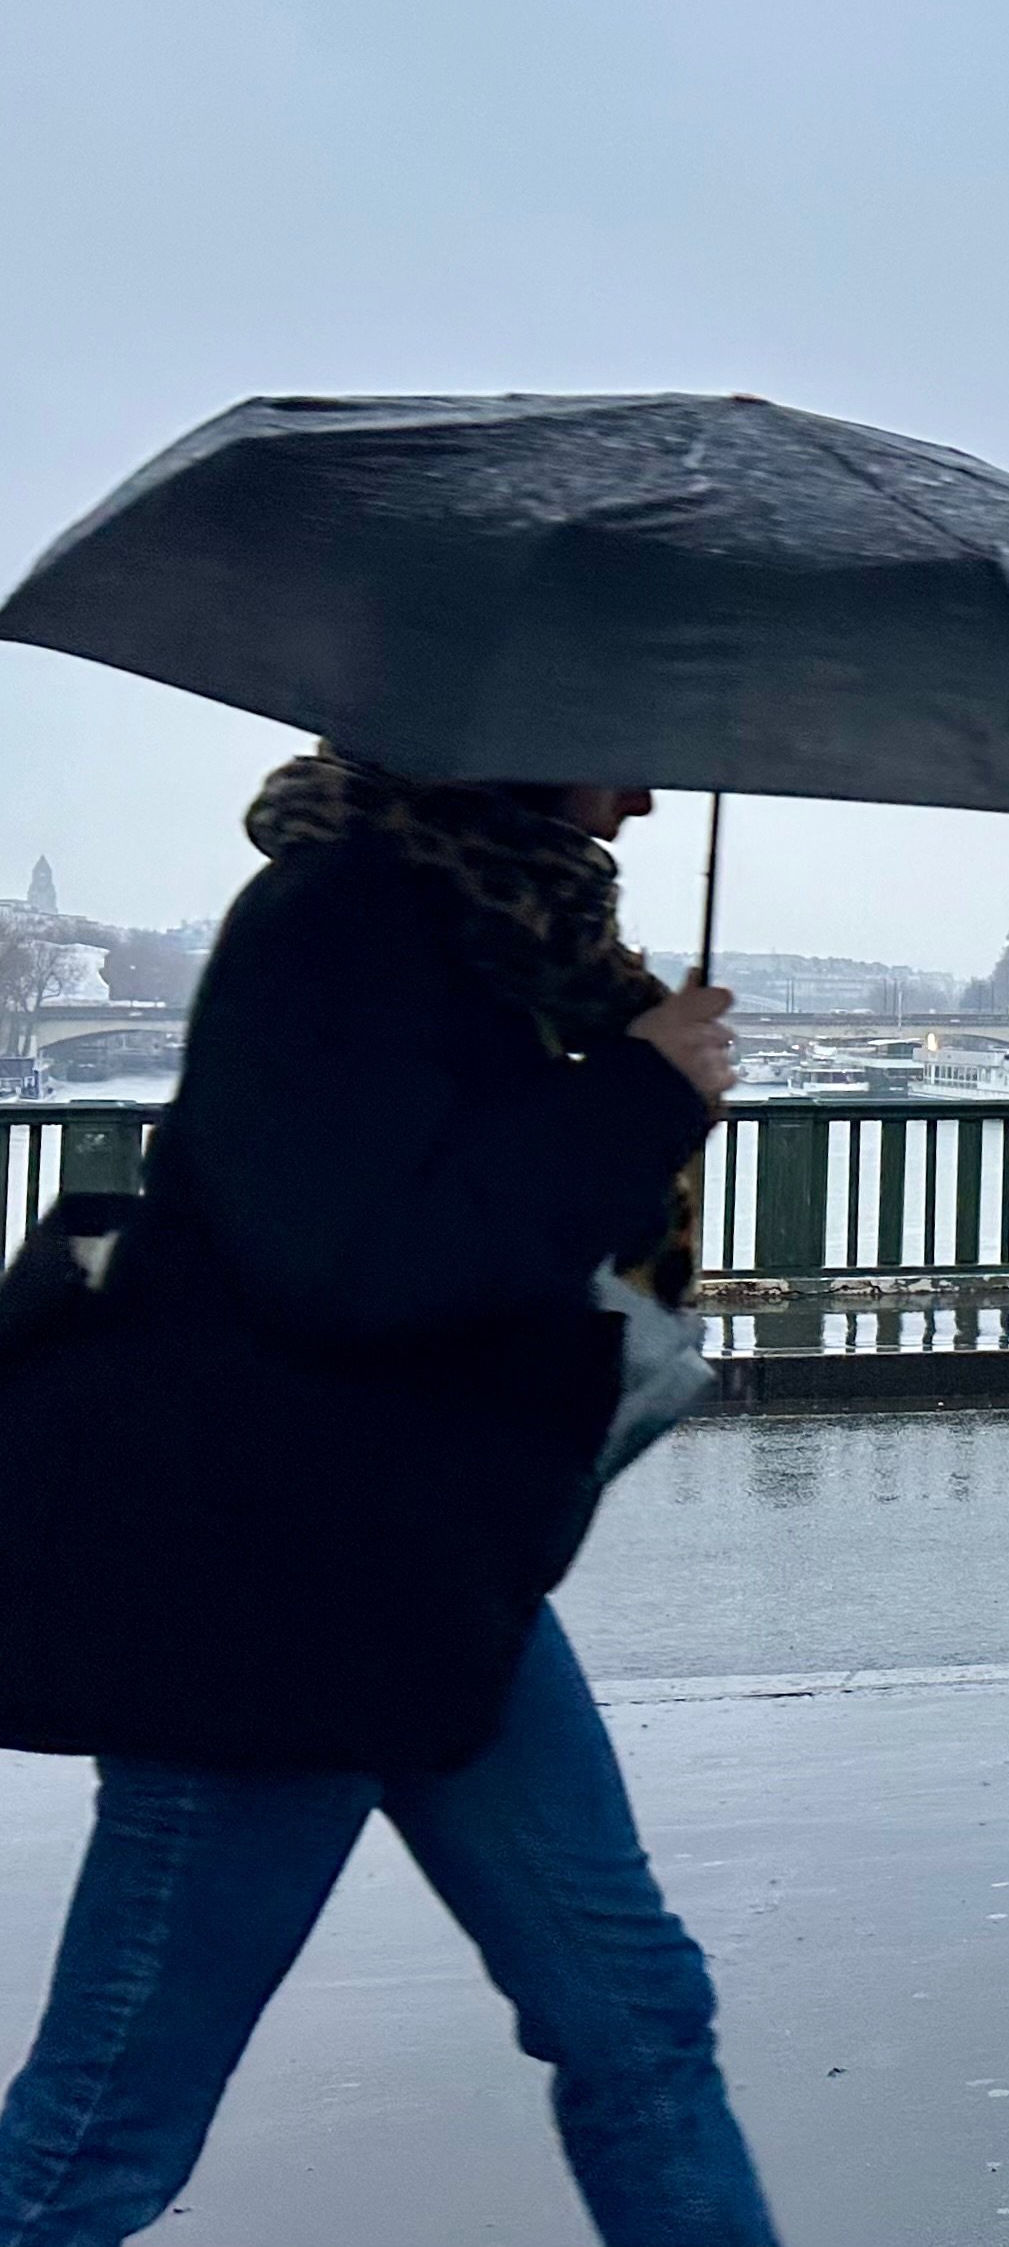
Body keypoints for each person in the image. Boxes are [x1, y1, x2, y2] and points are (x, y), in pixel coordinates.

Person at [0, 752, 774, 2245]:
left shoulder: (488, 939)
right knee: (108, 2122)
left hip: (426, 1573)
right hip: (273, 1595)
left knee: (638, 2019)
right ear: (526, 739)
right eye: (628, 757)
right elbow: (350, 1265)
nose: (648, 804)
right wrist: (636, 1094)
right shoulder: (339, 919)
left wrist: (627, 1089)